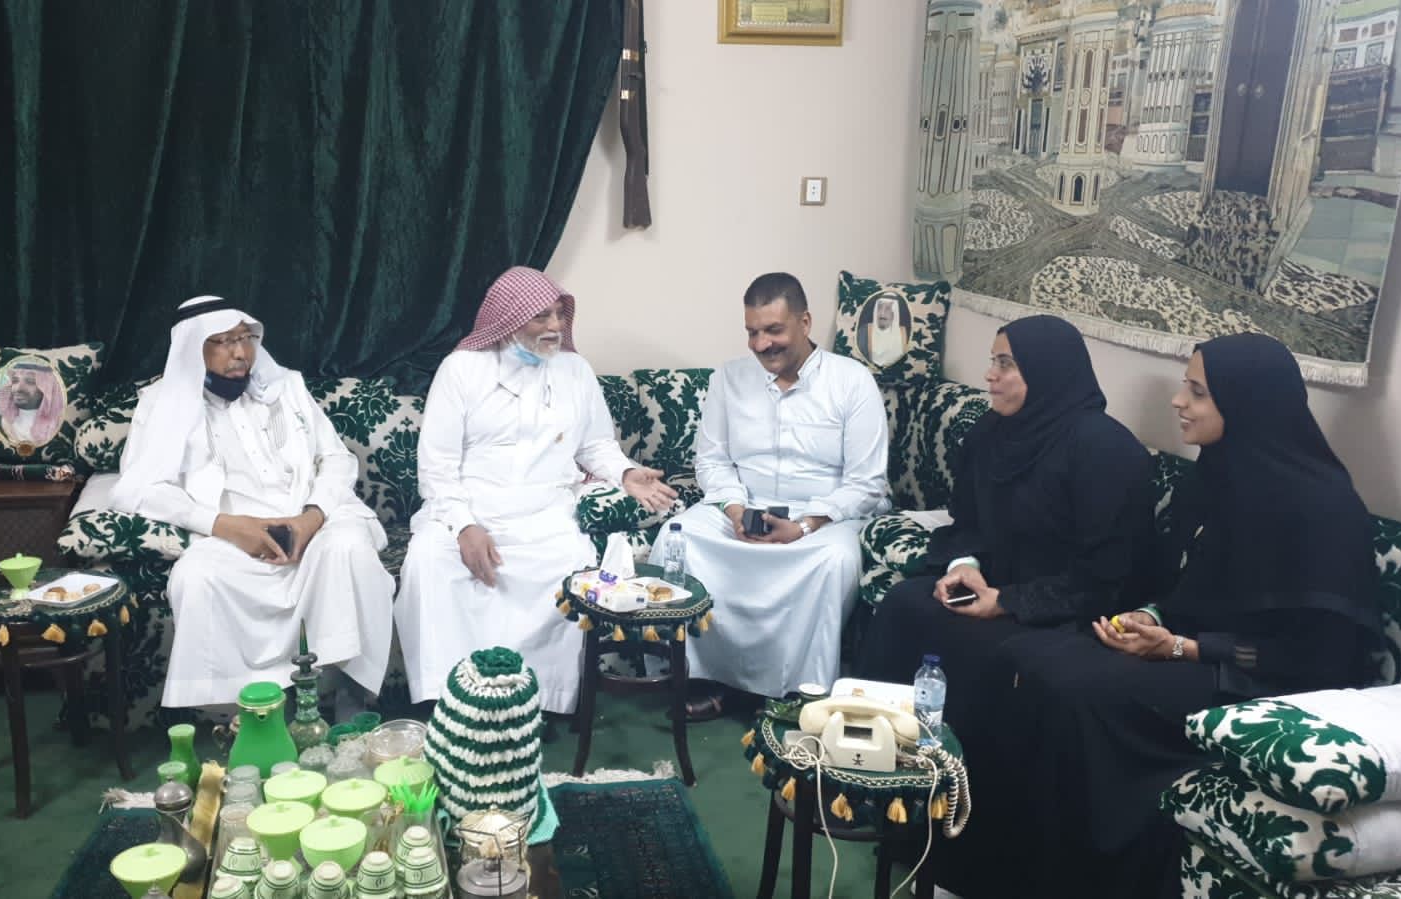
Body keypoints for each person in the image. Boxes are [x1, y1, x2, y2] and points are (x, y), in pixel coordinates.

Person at [996, 333, 1381, 898]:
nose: (1179, 402)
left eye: (1198, 392)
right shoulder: (1217, 475)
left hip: (1265, 684)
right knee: (1029, 657)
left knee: (1079, 694)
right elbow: (1186, 587)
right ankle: (1012, 870)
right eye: (1185, 387)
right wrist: (1152, 615)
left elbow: (1322, 657)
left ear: (1247, 404)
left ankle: (1087, 880)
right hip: (1192, 654)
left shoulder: (1322, 508)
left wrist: (1183, 647)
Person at [854, 314, 1153, 897]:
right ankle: (879, 788)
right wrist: (963, 566)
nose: (989, 376)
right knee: (907, 606)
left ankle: (964, 844)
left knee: (994, 661)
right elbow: (968, 521)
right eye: (992, 361)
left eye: (1005, 364)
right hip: (995, 587)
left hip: (1068, 609)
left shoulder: (1104, 450)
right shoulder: (992, 433)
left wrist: (1008, 603)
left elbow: (1107, 577)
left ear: (1047, 372)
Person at [394, 267, 677, 714]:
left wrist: (625, 473)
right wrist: (465, 527)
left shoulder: (574, 370)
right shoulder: (462, 369)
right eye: (541, 316)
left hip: (545, 513)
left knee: (571, 565)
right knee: (428, 561)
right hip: (468, 510)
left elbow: (596, 445)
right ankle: (450, 703)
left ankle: (538, 702)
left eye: (559, 315)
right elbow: (437, 467)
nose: (555, 326)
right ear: (508, 319)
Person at [111, 295, 396, 709]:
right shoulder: (162, 403)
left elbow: (337, 458)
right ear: (194, 349)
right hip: (233, 539)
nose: (240, 352)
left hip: (315, 523)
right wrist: (225, 526)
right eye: (224, 341)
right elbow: (139, 488)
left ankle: (348, 695)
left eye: (245, 338)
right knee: (196, 577)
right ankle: (239, 712)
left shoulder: (287, 387)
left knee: (349, 548)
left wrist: (311, 517)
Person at [649, 272, 891, 717]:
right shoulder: (729, 378)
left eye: (773, 330)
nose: (761, 344)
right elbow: (712, 462)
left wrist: (805, 526)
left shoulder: (852, 381)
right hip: (744, 503)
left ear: (805, 322)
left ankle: (801, 697)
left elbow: (866, 483)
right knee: (677, 538)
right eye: (752, 332)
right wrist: (735, 511)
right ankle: (700, 678)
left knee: (832, 562)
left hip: (826, 515)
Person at [0, 360, 64, 447]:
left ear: (46, 389)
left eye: (30, 381)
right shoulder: (6, 422)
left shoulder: (58, 423)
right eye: (15, 381)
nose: (18, 388)